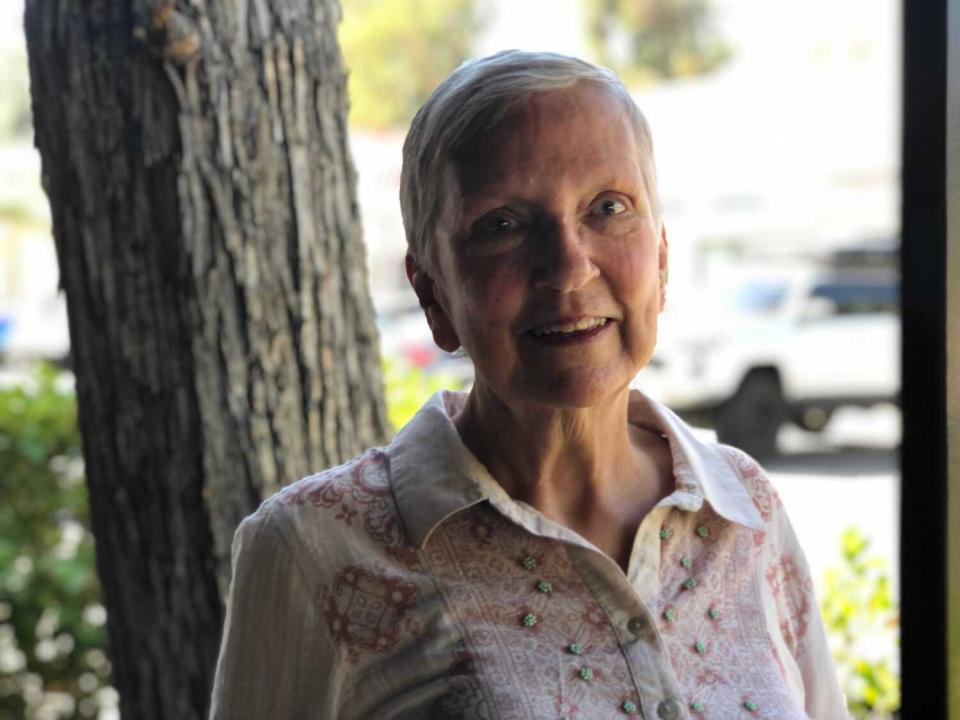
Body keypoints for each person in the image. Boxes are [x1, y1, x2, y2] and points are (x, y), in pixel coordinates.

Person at [209, 50, 848, 719]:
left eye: (608, 206)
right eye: (503, 225)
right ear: (432, 292)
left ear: (660, 259)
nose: (569, 269)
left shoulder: (742, 509)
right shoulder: (314, 549)